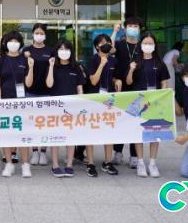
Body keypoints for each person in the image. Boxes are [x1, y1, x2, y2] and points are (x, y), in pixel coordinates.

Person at [126, 32, 170, 178]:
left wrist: (162, 98)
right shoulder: (136, 62)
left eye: (150, 43)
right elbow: (128, 82)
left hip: (155, 102)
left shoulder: (160, 64)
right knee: (139, 132)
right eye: (145, 43)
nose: (148, 45)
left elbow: (164, 83)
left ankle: (152, 163)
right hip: (139, 101)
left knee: (154, 133)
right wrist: (131, 69)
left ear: (155, 45)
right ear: (140, 45)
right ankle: (140, 162)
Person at [46, 39, 89, 177]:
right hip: (55, 107)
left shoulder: (76, 67)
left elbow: (80, 88)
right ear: (57, 51)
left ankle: (69, 164)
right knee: (55, 136)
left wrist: (81, 103)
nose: (64, 52)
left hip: (72, 107)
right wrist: (51, 66)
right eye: (61, 49)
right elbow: (49, 84)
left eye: (66, 49)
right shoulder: (53, 66)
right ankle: (55, 165)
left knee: (70, 136)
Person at [0, 31, 34, 178]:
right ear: (5, 43)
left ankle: (25, 164)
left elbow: (28, 83)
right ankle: (9, 163)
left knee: (22, 133)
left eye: (16, 41)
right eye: (11, 41)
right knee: (6, 133)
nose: (13, 43)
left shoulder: (25, 59)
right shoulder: (0, 60)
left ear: (20, 43)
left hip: (21, 102)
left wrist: (31, 67)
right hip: (5, 101)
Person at [86, 33, 120, 176]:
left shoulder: (114, 60)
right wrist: (101, 64)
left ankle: (108, 161)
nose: (105, 44)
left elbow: (114, 77)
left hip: (109, 100)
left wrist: (117, 81)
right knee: (91, 130)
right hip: (94, 99)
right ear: (96, 46)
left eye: (107, 42)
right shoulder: (92, 60)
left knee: (109, 130)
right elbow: (93, 81)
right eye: (102, 43)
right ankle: (90, 163)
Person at [112, 16, 143, 168]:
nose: (133, 28)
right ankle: (117, 152)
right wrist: (114, 32)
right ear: (125, 28)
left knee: (135, 122)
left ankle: (134, 155)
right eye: (130, 25)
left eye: (136, 26)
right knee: (120, 121)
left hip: (138, 87)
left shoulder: (143, 46)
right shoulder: (119, 44)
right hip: (120, 88)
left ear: (140, 29)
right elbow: (109, 49)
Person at [23, 23, 55, 166]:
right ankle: (35, 151)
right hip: (30, 92)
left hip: (47, 92)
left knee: (45, 124)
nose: (39, 35)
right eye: (37, 33)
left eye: (41, 33)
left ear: (45, 35)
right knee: (32, 124)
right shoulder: (27, 51)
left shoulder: (51, 51)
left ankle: (43, 152)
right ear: (33, 34)